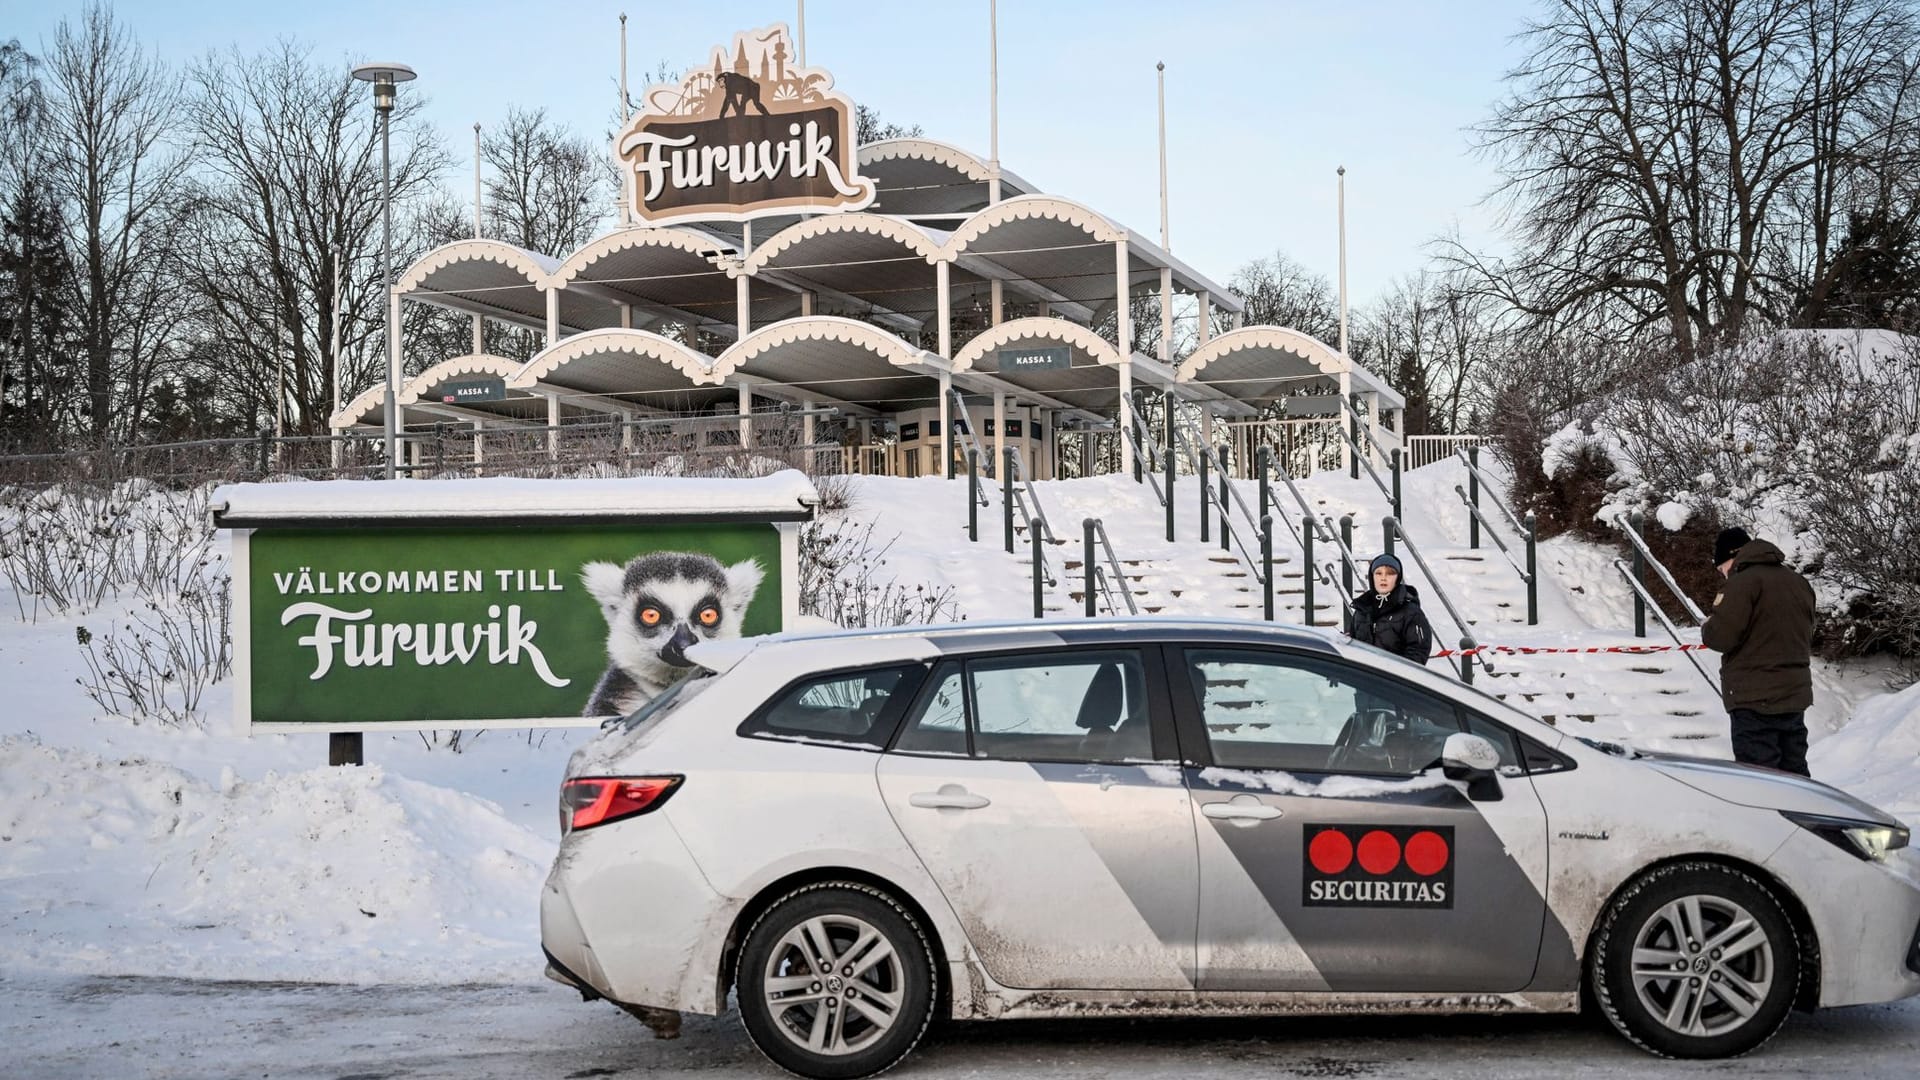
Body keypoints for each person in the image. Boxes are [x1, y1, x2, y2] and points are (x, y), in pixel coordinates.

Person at [1701, 526, 1817, 776]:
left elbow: (1720, 637)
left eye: (1721, 569)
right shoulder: (1798, 582)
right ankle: (1802, 814)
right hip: (1794, 694)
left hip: (1754, 698)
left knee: (1760, 780)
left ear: (1730, 559)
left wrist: (1707, 628)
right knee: (1795, 775)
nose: (1724, 575)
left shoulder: (1742, 583)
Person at [1348, 553, 1434, 665]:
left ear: (1397, 578)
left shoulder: (1410, 611)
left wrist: (1394, 672)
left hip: (1394, 679)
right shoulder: (1362, 609)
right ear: (1372, 577)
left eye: (1390, 573)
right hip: (1364, 678)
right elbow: (1353, 646)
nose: (1383, 578)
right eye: (1378, 573)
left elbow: (1418, 651)